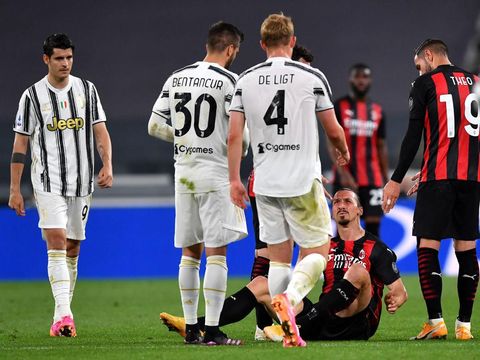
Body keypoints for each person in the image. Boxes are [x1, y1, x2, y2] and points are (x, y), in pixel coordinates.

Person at [227, 13, 349, 347]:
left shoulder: (245, 80)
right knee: (319, 252)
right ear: (292, 42)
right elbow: (333, 128)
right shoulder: (311, 76)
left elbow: (234, 136)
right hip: (301, 181)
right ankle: (290, 299)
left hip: (264, 184)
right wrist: (342, 149)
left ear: (263, 44)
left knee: (278, 258)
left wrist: (235, 180)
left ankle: (282, 329)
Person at [160, 189, 407, 342]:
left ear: (360, 210)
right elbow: (299, 278)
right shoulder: (323, 245)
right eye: (337, 202)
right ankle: (198, 326)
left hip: (357, 323)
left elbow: (400, 292)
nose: (341, 205)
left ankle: (294, 325)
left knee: (358, 271)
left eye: (348, 202)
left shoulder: (377, 248)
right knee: (262, 283)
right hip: (322, 322)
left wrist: (394, 300)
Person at [147, 21, 247, 346]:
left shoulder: (176, 77)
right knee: (217, 254)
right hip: (216, 174)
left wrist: (187, 141)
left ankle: (191, 328)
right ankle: (214, 330)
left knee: (190, 253)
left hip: (185, 173)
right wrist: (224, 146)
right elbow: (240, 137)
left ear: (208, 45)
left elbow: (154, 125)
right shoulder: (232, 81)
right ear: (230, 49)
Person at [8, 33, 113, 337]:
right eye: (58, 58)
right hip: (48, 181)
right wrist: (15, 188)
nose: (65, 63)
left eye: (68, 57)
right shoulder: (32, 96)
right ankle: (66, 315)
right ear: (46, 60)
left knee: (73, 246)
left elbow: (100, 131)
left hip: (81, 182)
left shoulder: (87, 90)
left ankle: (60, 316)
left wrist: (107, 164)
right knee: (55, 238)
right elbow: (20, 145)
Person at [383, 39, 480, 340]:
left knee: (428, 247)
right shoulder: (476, 82)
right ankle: (464, 326)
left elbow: (414, 136)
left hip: (438, 179)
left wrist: (396, 178)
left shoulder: (424, 83)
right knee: (466, 249)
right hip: (471, 178)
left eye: (419, 64)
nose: (419, 70)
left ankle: (436, 322)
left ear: (428, 55)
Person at [247, 43, 316, 341]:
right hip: (276, 183)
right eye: (302, 66)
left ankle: (267, 325)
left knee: (274, 255)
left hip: (274, 180)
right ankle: (266, 325)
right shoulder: (289, 95)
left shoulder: (256, 85)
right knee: (274, 255)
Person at [331, 63, 388, 237]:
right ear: (350, 79)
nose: (361, 80)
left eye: (365, 77)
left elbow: (381, 146)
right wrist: (342, 172)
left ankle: (371, 264)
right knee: (344, 227)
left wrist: (386, 178)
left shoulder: (378, 110)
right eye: (358, 76)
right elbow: (332, 140)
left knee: (373, 228)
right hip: (346, 178)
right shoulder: (339, 106)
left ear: (369, 80)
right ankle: (342, 264)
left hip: (372, 179)